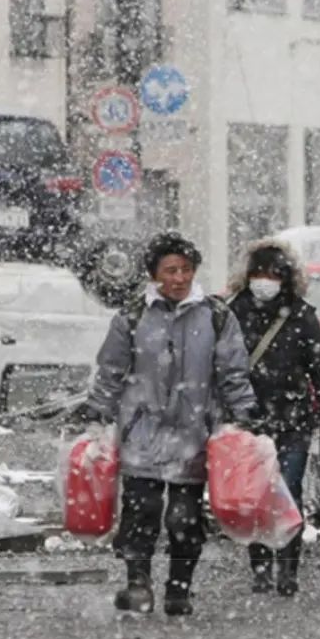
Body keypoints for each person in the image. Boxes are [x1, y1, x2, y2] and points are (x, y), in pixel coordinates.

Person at [70, 231, 257, 616]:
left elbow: (233, 373)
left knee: (185, 519)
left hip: (194, 434)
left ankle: (178, 589)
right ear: (153, 274)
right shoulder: (133, 316)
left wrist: (246, 414)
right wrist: (97, 411)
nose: (179, 278)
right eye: (170, 270)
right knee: (141, 513)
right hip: (142, 434)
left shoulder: (217, 316)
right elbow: (111, 371)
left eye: (186, 270)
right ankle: (138, 584)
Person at [227, 239, 320, 597]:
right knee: (255, 495)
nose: (264, 281)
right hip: (250, 422)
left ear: (286, 278)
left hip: (293, 421)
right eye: (258, 273)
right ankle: (260, 567)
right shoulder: (233, 314)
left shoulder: (302, 316)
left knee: (287, 493)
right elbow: (221, 368)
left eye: (272, 274)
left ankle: (288, 568)